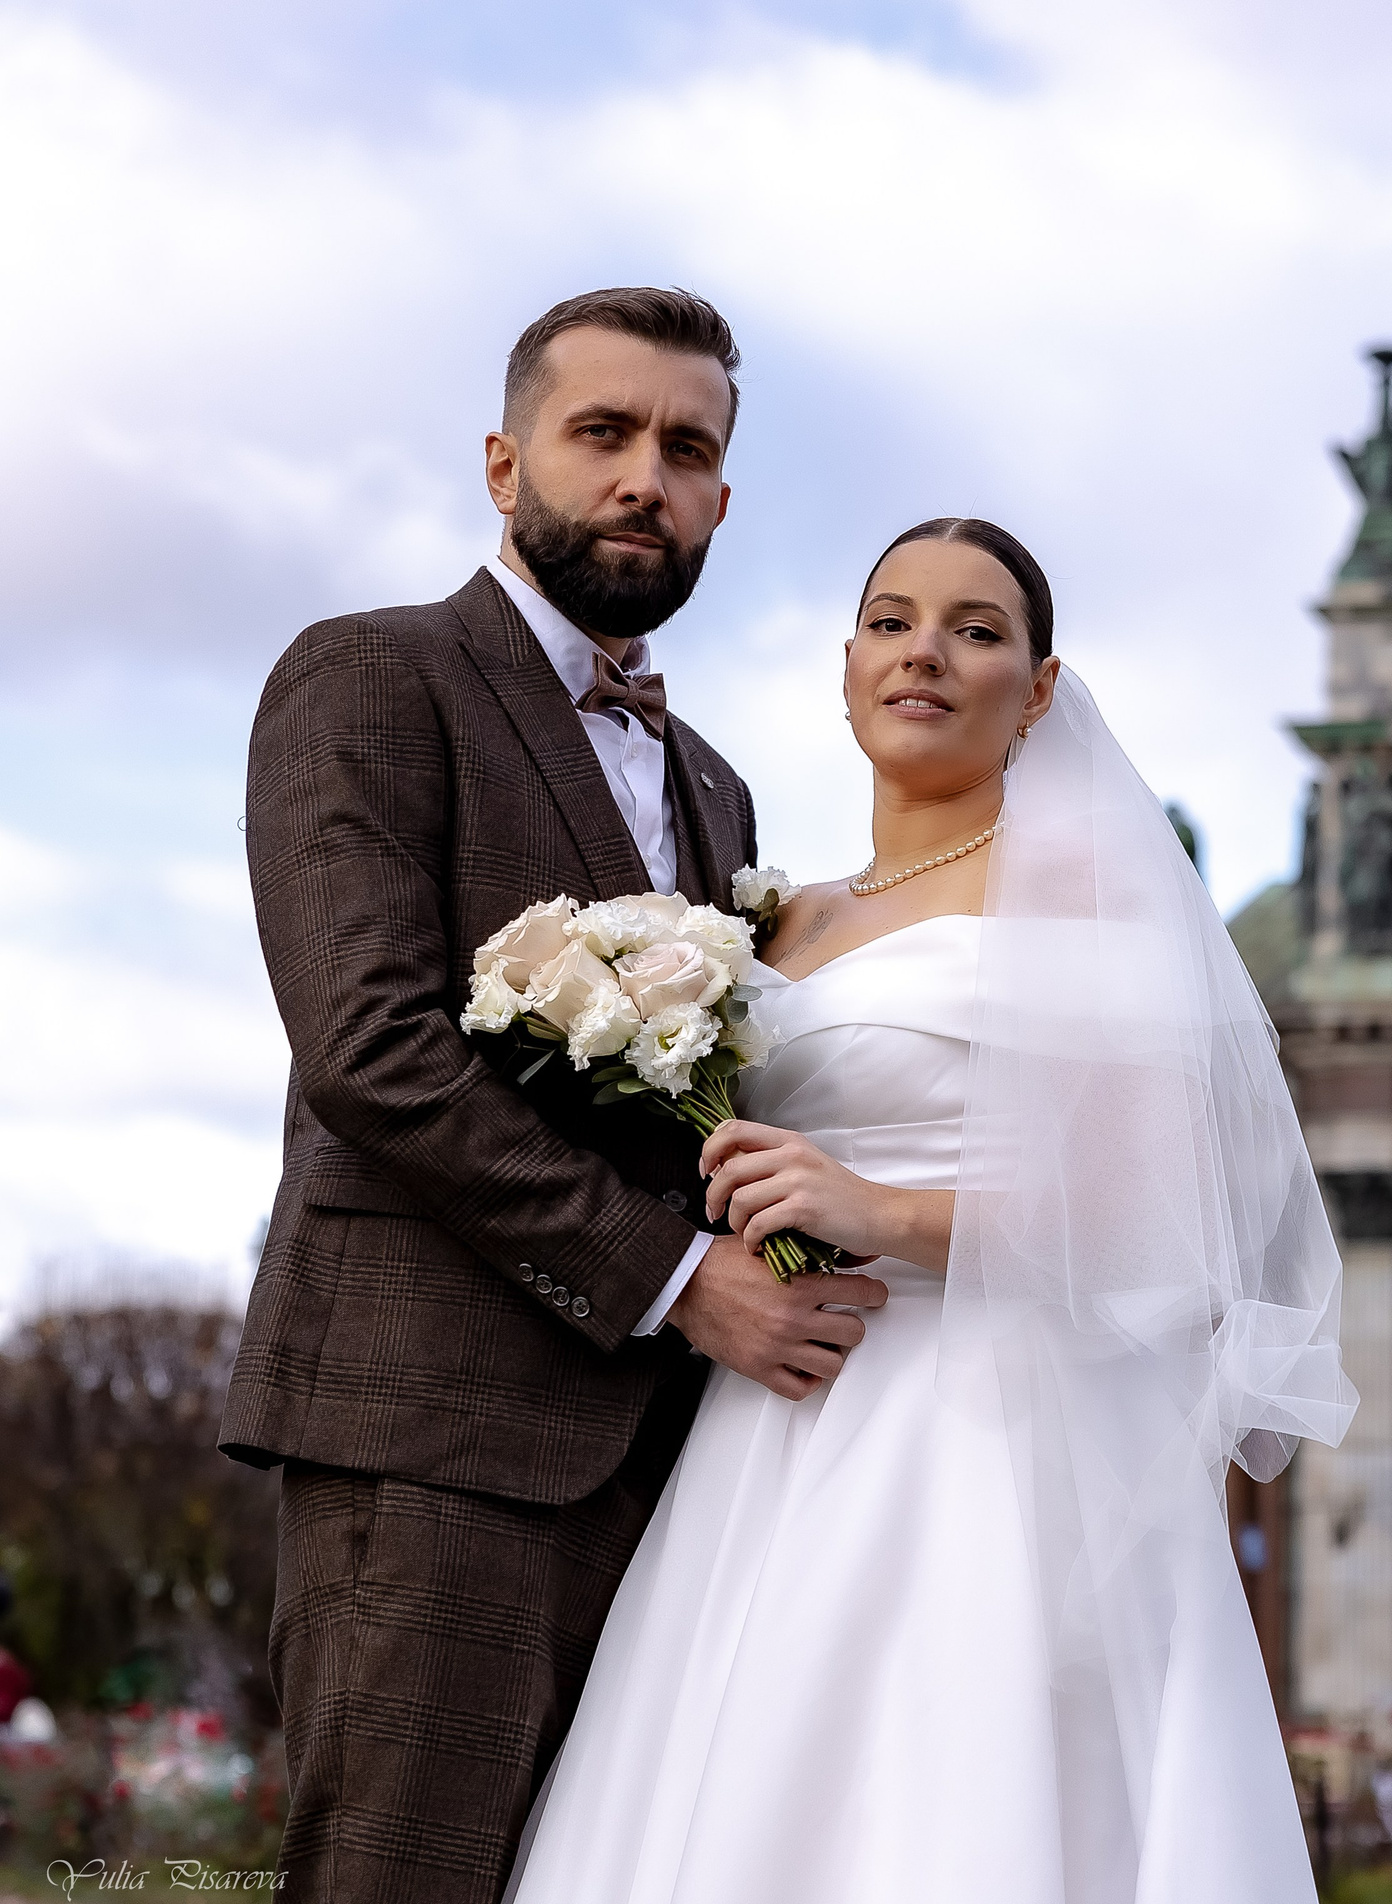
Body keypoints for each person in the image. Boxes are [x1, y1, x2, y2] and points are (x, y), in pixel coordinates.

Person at [505, 518, 1358, 1902]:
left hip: (994, 1424)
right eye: (893, 620)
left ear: (1037, 686)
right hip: (771, 1416)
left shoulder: (1082, 893)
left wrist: (879, 1209)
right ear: (846, 666)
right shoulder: (765, 925)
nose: (926, 653)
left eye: (976, 630)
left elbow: (1160, 1217)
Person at [219, 288, 892, 1902]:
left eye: (686, 448)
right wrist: (678, 1284)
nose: (642, 478)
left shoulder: (715, 784)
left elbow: (704, 1114)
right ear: (506, 459)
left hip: (675, 1481)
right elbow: (372, 1051)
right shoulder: (374, 678)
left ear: (722, 499)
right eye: (603, 435)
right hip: (434, 1443)